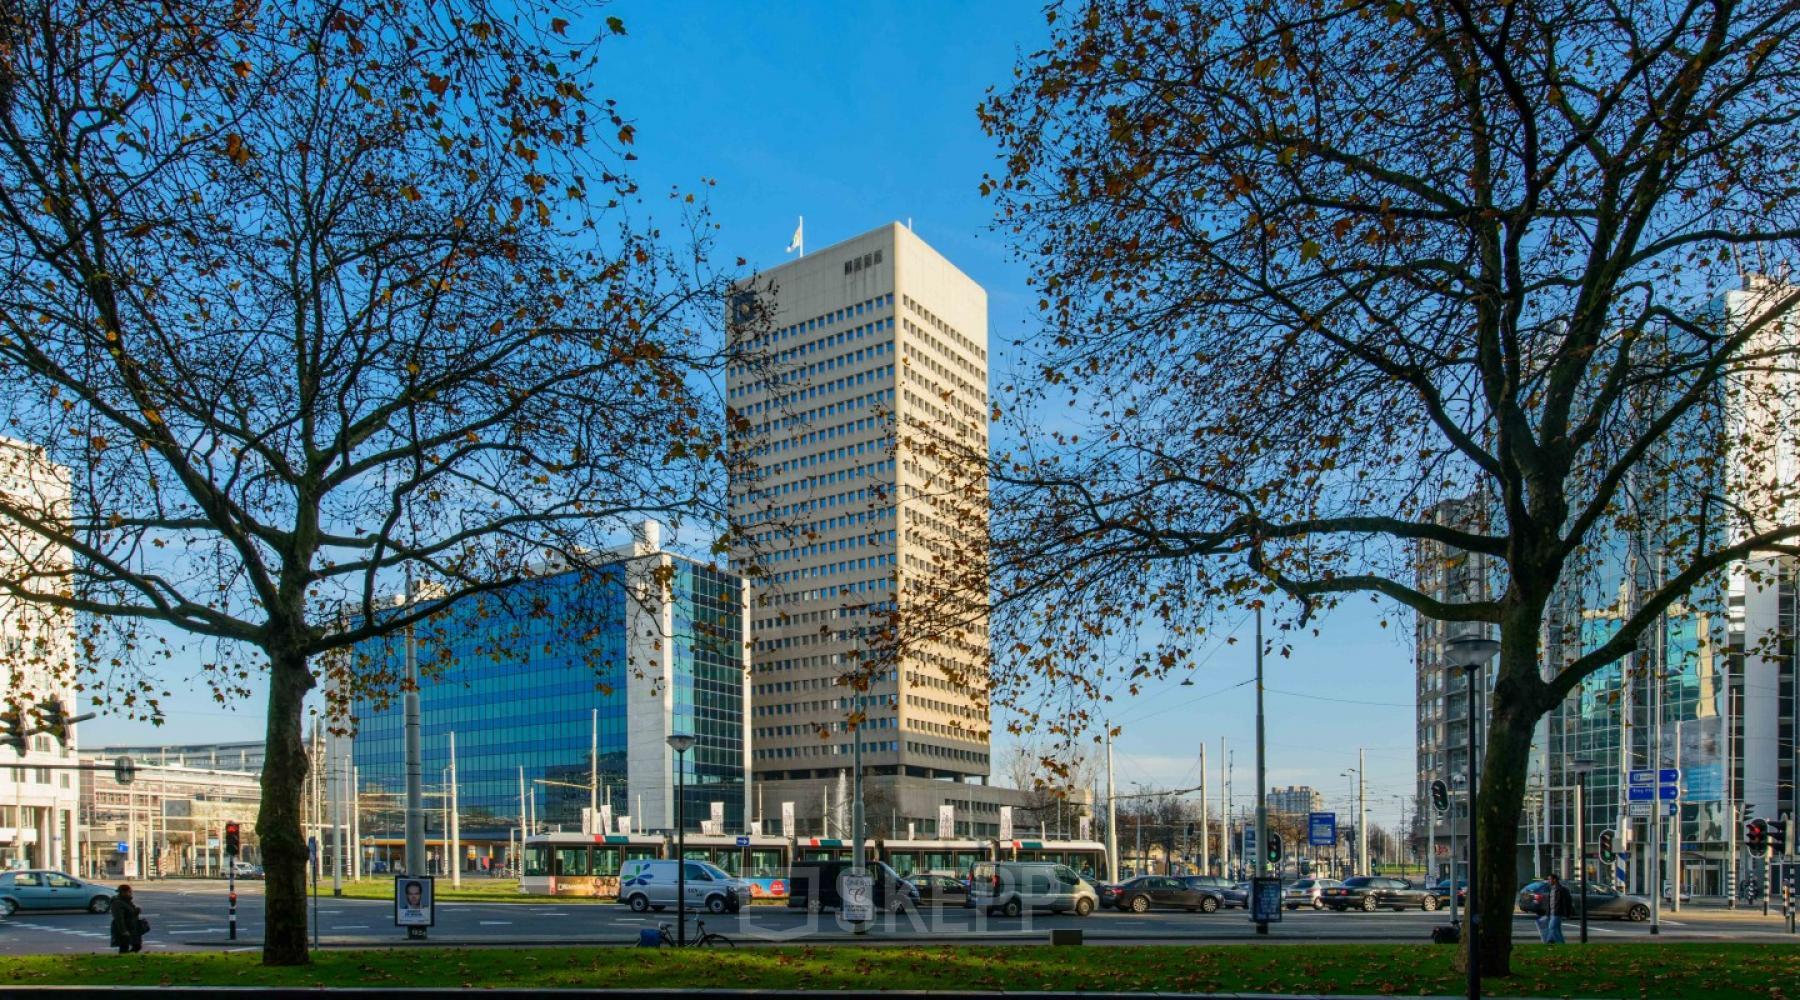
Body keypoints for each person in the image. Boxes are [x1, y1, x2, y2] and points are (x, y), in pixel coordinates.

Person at [110, 884, 146, 954]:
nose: (131, 893)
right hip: (125, 928)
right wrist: (123, 931)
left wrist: (137, 911)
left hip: (132, 927)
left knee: (137, 945)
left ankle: (128, 956)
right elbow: (119, 918)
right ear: (123, 892)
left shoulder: (127, 901)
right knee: (124, 946)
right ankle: (123, 959)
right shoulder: (117, 903)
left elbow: (130, 912)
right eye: (129, 892)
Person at [1538, 873, 1572, 944]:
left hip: (1557, 913)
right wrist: (1547, 913)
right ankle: (1557, 943)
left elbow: (1567, 902)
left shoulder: (1562, 889)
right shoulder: (1552, 889)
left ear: (1555, 880)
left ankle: (1558, 943)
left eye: (1549, 879)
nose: (1548, 881)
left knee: (1552, 927)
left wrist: (1567, 913)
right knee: (1557, 929)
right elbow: (1550, 903)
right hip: (1552, 913)